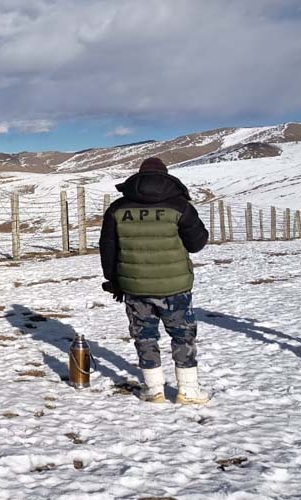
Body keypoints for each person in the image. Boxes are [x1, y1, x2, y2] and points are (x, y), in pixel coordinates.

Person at [99, 157, 210, 404]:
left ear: (138, 178)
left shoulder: (118, 209)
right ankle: (189, 391)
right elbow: (197, 243)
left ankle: (153, 390)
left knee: (145, 336)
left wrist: (113, 280)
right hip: (175, 286)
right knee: (182, 336)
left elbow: (107, 248)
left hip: (135, 287)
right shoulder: (180, 206)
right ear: (165, 178)